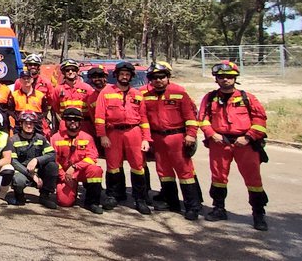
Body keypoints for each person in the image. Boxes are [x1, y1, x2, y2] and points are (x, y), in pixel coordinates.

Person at [199, 60, 270, 230]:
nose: (225, 80)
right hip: (219, 142)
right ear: (216, 79)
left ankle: (258, 213)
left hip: (244, 143)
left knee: (253, 179)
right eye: (221, 77)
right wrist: (211, 134)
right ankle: (219, 208)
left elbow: (260, 120)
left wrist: (249, 137)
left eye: (229, 77)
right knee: (218, 178)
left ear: (235, 78)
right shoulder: (210, 98)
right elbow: (202, 119)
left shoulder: (247, 98)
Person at [141, 61, 202, 220]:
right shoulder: (146, 97)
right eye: (154, 78)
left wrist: (191, 135)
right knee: (164, 172)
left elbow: (190, 117)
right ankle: (172, 203)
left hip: (178, 138)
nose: (158, 80)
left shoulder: (180, 93)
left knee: (185, 173)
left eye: (161, 77)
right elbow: (144, 120)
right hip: (158, 139)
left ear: (168, 77)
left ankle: (192, 206)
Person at [94, 61, 152, 214]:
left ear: (131, 77)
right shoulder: (106, 92)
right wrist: (102, 136)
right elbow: (99, 117)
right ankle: (114, 195)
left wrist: (146, 138)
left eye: (127, 75)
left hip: (134, 132)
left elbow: (144, 118)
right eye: (122, 74)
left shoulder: (137, 94)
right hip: (113, 133)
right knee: (113, 166)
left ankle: (140, 199)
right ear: (117, 76)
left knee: (138, 166)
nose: (124, 77)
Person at [52, 108, 104, 214]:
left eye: (76, 120)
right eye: (69, 119)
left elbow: (92, 157)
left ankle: (92, 202)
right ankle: (71, 192)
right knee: (65, 202)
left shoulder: (87, 137)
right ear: (64, 121)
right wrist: (63, 176)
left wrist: (75, 167)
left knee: (95, 170)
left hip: (80, 171)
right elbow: (54, 161)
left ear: (80, 122)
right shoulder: (55, 138)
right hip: (65, 174)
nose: (72, 122)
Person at [9, 111, 58, 208]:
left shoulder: (41, 138)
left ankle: (45, 195)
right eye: (26, 123)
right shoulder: (13, 140)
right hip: (22, 171)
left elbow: (52, 154)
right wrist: (31, 175)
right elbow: (13, 161)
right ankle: (19, 195)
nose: (29, 125)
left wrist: (37, 160)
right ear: (21, 124)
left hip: (37, 171)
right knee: (19, 181)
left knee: (52, 166)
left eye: (31, 123)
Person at [55, 59, 98, 138]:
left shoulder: (87, 88)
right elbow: (56, 108)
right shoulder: (58, 89)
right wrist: (61, 122)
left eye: (73, 69)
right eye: (67, 70)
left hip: (84, 125)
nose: (70, 72)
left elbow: (93, 109)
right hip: (66, 125)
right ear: (63, 72)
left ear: (77, 71)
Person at [13, 71, 51, 135]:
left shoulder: (40, 95)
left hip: (36, 127)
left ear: (32, 80)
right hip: (20, 126)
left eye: (28, 78)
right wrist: (17, 118)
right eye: (24, 78)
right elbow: (9, 110)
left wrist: (38, 119)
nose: (26, 80)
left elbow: (45, 110)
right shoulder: (14, 95)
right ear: (20, 80)